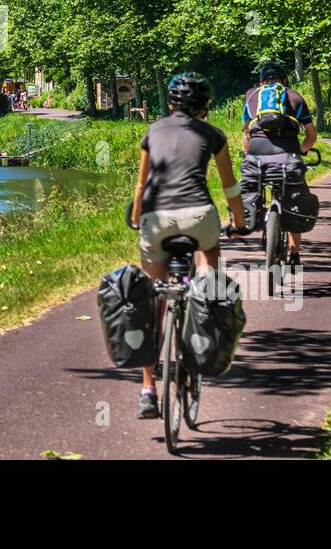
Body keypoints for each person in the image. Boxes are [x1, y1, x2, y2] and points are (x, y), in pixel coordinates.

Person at [131, 71, 246, 420]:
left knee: (153, 301)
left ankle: (148, 390)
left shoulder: (153, 131)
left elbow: (142, 187)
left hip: (157, 220)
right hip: (199, 217)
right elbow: (230, 189)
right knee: (209, 255)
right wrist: (238, 224)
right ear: (206, 106)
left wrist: (137, 219)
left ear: (171, 104)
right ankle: (204, 296)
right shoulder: (214, 135)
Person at [240, 61, 317, 266]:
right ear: (284, 81)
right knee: (295, 200)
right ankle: (295, 254)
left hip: (256, 157)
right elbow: (311, 137)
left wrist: (249, 155)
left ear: (261, 82)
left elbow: (246, 135)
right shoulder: (295, 97)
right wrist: (300, 151)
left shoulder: (251, 96)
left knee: (251, 189)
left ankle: (256, 218)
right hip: (287, 157)